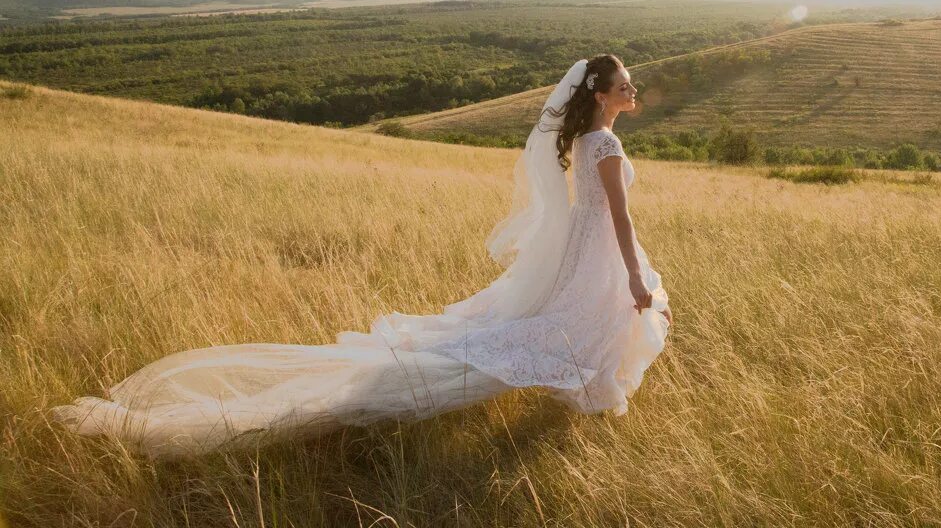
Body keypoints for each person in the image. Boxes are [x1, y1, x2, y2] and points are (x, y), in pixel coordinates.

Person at [49, 55, 671, 458]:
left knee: (576, 329)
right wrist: (636, 277)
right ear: (602, 93)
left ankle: (586, 399)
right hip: (600, 251)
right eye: (625, 85)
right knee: (578, 329)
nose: (632, 89)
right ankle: (586, 402)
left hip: (584, 251)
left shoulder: (590, 138)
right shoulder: (607, 146)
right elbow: (617, 215)